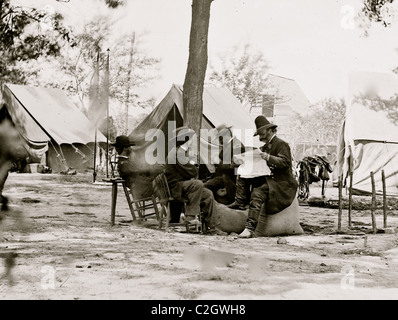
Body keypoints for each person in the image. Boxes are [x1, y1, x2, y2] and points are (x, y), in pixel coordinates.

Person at [237, 115, 298, 238]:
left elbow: (285, 162)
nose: (260, 137)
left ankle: (249, 228)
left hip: (282, 183)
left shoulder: (281, 144)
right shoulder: (266, 146)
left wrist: (268, 157)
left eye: (261, 133)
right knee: (242, 176)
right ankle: (239, 202)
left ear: (270, 131)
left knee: (257, 194)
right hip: (270, 179)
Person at [164, 126, 225, 235]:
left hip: (180, 186)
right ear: (186, 140)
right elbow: (191, 172)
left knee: (207, 194)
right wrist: (192, 163)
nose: (193, 141)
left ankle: (212, 227)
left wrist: (191, 163)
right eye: (191, 138)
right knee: (197, 184)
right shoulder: (178, 153)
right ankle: (191, 217)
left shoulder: (179, 152)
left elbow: (187, 172)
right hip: (175, 188)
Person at [204, 125, 245, 205]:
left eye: (220, 138)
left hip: (228, 178)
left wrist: (218, 161)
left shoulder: (237, 145)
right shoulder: (229, 144)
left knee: (203, 188)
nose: (219, 141)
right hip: (222, 177)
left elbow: (232, 166)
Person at [111, 135, 158, 200]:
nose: (130, 148)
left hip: (143, 186)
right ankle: (167, 208)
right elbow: (140, 171)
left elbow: (141, 170)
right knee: (164, 184)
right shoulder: (123, 163)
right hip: (140, 190)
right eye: (129, 147)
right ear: (125, 148)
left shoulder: (126, 161)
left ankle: (166, 208)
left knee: (163, 182)